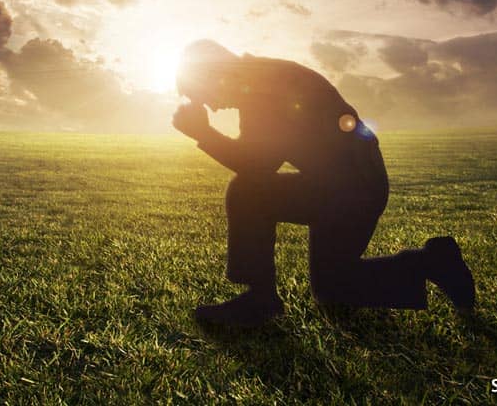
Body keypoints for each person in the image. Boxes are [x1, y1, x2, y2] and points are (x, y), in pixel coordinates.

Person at [173, 39, 474, 326]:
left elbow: (258, 166)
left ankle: (260, 300)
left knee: (247, 191)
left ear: (214, 74)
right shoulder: (257, 81)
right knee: (332, 288)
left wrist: (205, 134)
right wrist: (206, 134)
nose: (211, 107)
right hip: (341, 185)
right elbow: (258, 157)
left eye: (204, 96)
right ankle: (433, 262)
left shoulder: (263, 88)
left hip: (352, 189)